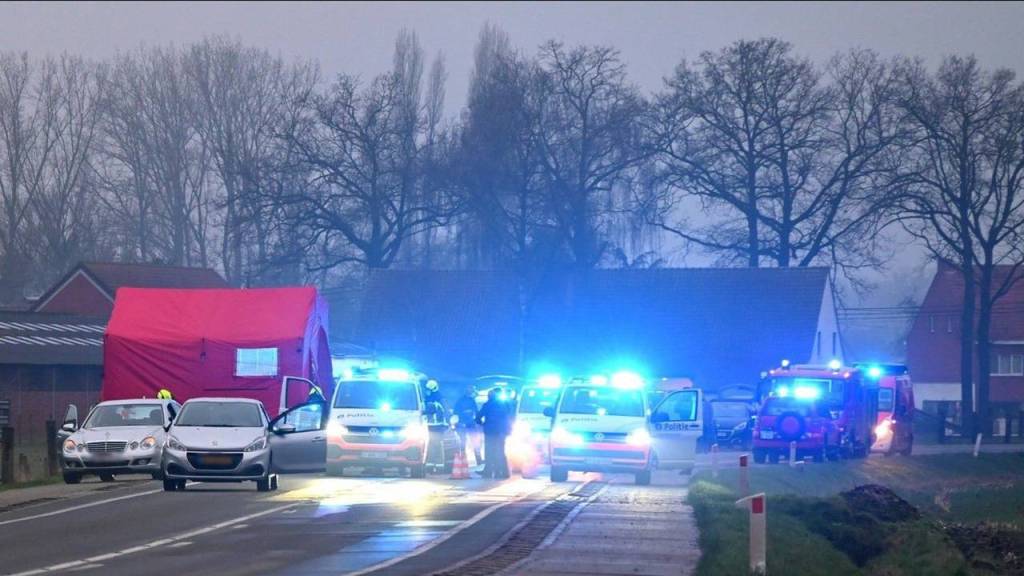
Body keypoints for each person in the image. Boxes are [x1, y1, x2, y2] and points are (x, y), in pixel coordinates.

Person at [476, 388, 511, 479]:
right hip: (501, 432)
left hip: (490, 431)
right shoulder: (505, 404)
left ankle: (488, 472)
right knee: (500, 452)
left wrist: (482, 424)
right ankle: (503, 472)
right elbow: (509, 417)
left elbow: (478, 417)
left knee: (489, 452)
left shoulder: (487, 405)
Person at [454, 384, 483, 465]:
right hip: (465, 423)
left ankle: (477, 460)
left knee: (472, 442)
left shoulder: (468, 400)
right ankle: (466, 460)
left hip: (469, 423)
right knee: (465, 442)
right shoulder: (464, 400)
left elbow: (476, 411)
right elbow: (456, 412)